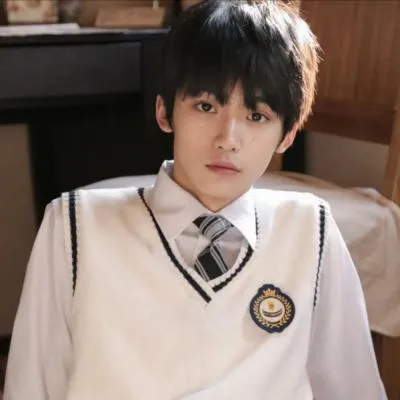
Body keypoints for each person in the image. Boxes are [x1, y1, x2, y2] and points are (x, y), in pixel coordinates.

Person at [4, 1, 386, 399]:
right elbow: (30, 389)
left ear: (287, 135)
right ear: (165, 111)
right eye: (206, 106)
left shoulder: (310, 231)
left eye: (256, 116)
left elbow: (354, 390)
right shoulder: (75, 228)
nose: (228, 139)